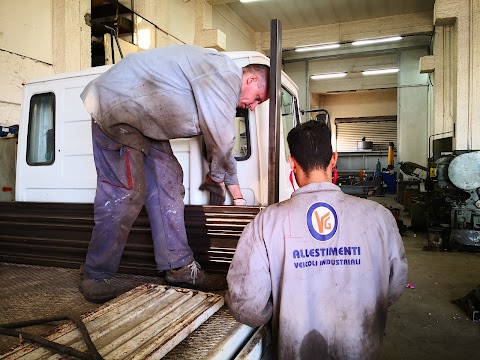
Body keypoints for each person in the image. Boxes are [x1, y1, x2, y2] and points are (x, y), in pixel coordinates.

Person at [79, 44, 269, 303]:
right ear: (252, 79)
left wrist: (229, 184)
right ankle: (95, 273)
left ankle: (177, 266)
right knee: (126, 192)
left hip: (144, 120)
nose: (253, 106)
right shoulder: (226, 74)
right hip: (116, 109)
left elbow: (219, 139)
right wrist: (221, 181)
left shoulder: (220, 79)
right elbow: (222, 141)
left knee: (169, 181)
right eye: (258, 98)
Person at [226, 121, 407, 359]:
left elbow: (247, 308)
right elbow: (393, 287)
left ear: (292, 163)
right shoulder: (379, 217)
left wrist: (283, 307)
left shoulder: (265, 222)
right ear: (333, 159)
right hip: (363, 350)